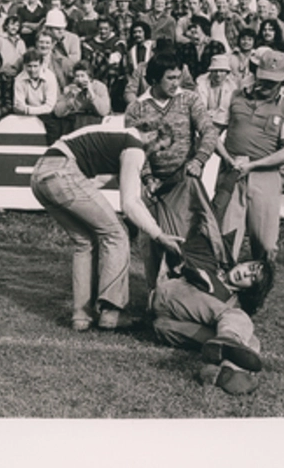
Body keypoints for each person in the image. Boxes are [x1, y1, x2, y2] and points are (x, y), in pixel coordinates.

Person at [30, 125, 185, 331]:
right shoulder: (135, 146)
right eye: (160, 146)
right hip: (63, 171)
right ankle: (111, 313)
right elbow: (129, 204)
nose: (157, 154)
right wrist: (159, 235)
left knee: (85, 241)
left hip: (39, 176)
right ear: (153, 134)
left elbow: (96, 183)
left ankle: (81, 317)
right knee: (117, 234)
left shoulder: (116, 137)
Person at [150, 178, 274, 395]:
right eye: (250, 267)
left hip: (168, 326)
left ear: (247, 289)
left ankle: (222, 373)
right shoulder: (214, 260)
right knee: (235, 318)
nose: (245, 272)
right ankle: (229, 345)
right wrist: (232, 174)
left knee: (251, 341)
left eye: (251, 278)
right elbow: (214, 210)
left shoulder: (233, 300)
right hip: (170, 294)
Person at [124, 52, 219, 288]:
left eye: (178, 77)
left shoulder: (189, 99)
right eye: (170, 78)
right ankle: (154, 298)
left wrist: (199, 160)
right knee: (152, 245)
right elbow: (135, 148)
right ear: (154, 80)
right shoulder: (136, 109)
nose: (176, 83)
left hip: (185, 183)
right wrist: (147, 179)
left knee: (186, 242)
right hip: (152, 188)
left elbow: (209, 131)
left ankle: (188, 294)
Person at [212, 50, 284, 262]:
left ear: (283, 81)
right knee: (226, 239)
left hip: (265, 177)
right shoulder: (234, 96)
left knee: (266, 244)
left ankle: (259, 291)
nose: (266, 85)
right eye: (263, 79)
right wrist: (227, 158)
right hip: (231, 173)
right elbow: (212, 135)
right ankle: (223, 290)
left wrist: (253, 166)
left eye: (273, 82)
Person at [53, 60, 111, 134]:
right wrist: (70, 99)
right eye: (77, 76)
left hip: (94, 121)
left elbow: (104, 111)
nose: (80, 79)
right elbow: (57, 112)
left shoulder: (100, 87)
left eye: (82, 76)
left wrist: (92, 95)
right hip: (75, 122)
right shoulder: (70, 88)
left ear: (89, 77)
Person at [13, 48, 59, 136]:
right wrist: (27, 111)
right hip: (26, 116)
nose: (32, 70)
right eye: (29, 66)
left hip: (47, 116)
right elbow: (18, 106)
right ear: (24, 65)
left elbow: (49, 107)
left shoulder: (50, 77)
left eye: (35, 66)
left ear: (41, 65)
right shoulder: (19, 79)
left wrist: (27, 110)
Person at [176, 15, 227, 80]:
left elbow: (222, 70)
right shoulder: (184, 48)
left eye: (194, 27)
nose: (191, 30)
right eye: (190, 28)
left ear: (203, 28)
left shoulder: (216, 46)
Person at [194, 54, 237, 129]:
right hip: (204, 123)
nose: (218, 74)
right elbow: (199, 109)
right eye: (215, 71)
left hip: (224, 125)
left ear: (227, 73)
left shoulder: (232, 87)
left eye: (221, 71)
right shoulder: (201, 85)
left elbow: (229, 112)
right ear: (210, 72)